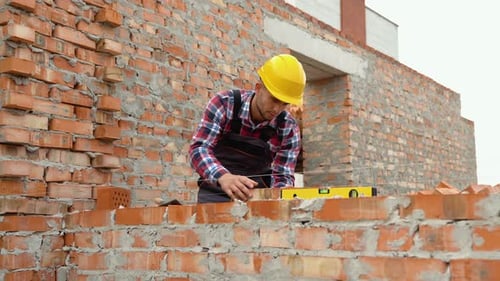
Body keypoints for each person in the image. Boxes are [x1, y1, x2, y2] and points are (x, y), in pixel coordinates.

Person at [189, 54, 306, 203]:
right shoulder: (224, 104)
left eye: (285, 103)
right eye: (274, 99)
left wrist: (282, 195)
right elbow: (198, 149)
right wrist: (223, 177)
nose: (277, 109)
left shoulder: (288, 128)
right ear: (259, 88)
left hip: (256, 199)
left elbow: (282, 175)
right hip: (215, 193)